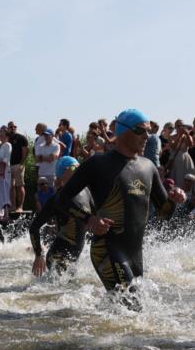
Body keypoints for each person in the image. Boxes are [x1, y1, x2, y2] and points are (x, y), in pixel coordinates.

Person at [54, 109, 186, 308]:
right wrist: (88, 219)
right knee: (132, 308)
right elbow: (62, 198)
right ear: (122, 132)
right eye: (141, 130)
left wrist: (174, 200)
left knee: (129, 311)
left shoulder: (148, 167)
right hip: (106, 248)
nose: (147, 137)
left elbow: (164, 214)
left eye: (149, 132)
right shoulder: (98, 163)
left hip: (135, 254)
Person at [30, 156, 92, 277]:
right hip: (58, 255)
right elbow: (34, 227)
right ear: (63, 173)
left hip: (73, 255)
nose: (78, 170)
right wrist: (39, 255)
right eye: (74, 167)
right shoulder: (57, 200)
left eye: (79, 166)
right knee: (58, 292)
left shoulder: (86, 191)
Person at [6, 121, 29, 212]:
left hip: (18, 165)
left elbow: (26, 151)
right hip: (8, 166)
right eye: (11, 127)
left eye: (14, 126)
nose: (13, 128)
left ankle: (20, 206)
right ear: (8, 128)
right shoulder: (7, 138)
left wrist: (21, 163)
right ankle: (13, 206)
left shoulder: (21, 138)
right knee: (11, 187)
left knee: (20, 186)